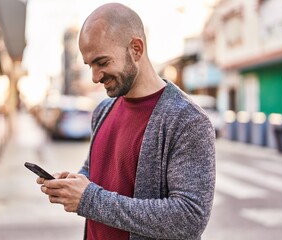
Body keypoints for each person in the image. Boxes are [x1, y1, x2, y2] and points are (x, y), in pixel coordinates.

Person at [37, 2, 216, 240]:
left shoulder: (187, 120)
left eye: (102, 62)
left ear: (136, 49)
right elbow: (97, 172)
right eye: (90, 65)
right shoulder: (103, 110)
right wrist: (71, 183)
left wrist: (88, 199)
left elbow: (189, 219)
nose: (95, 77)